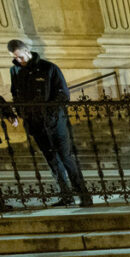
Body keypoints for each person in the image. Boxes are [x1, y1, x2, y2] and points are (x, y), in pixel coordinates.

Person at [7, 40, 90, 208]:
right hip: (35, 124)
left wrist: (49, 114)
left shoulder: (49, 68)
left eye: (21, 57)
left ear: (27, 51)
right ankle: (66, 196)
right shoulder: (14, 70)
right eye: (15, 58)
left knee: (66, 158)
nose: (20, 61)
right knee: (52, 160)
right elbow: (15, 93)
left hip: (55, 123)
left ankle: (83, 195)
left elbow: (62, 95)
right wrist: (22, 113)